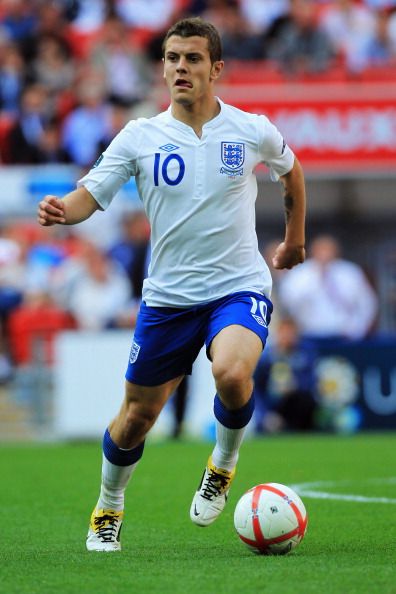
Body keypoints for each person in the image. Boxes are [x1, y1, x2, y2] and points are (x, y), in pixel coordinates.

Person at [37, 17, 306, 552]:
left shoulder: (250, 129)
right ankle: (108, 506)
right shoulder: (139, 136)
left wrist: (295, 240)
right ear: (162, 67)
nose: (181, 67)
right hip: (168, 298)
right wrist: (61, 211)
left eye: (193, 59)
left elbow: (291, 172)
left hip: (238, 285)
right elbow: (89, 194)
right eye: (172, 58)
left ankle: (223, 464)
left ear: (217, 68)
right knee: (137, 417)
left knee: (231, 373)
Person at [278, 234, 378, 340]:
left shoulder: (350, 272)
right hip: (308, 334)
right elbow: (288, 303)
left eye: (328, 250)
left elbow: (368, 303)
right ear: (313, 251)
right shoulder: (299, 274)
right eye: (321, 250)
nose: (324, 254)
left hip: (345, 335)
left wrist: (358, 329)